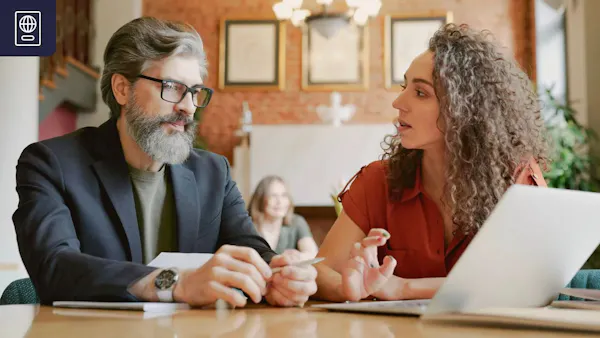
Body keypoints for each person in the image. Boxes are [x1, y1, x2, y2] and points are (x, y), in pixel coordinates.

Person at [12, 17, 316, 308]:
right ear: (122, 89)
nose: (187, 107)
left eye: (195, 92)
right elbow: (54, 266)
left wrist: (280, 274)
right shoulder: (51, 164)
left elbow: (252, 251)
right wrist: (174, 284)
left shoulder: (213, 173)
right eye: (171, 87)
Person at [312, 23, 550, 302]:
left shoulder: (519, 178)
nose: (398, 102)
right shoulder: (377, 181)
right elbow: (321, 270)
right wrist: (350, 287)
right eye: (404, 87)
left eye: (421, 93)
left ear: (464, 110)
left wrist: (404, 288)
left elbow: (533, 282)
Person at [247, 176, 318, 261]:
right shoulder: (247, 226)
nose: (279, 202)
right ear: (260, 199)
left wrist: (297, 257)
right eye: (273, 196)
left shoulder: (297, 222)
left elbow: (312, 254)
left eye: (284, 195)